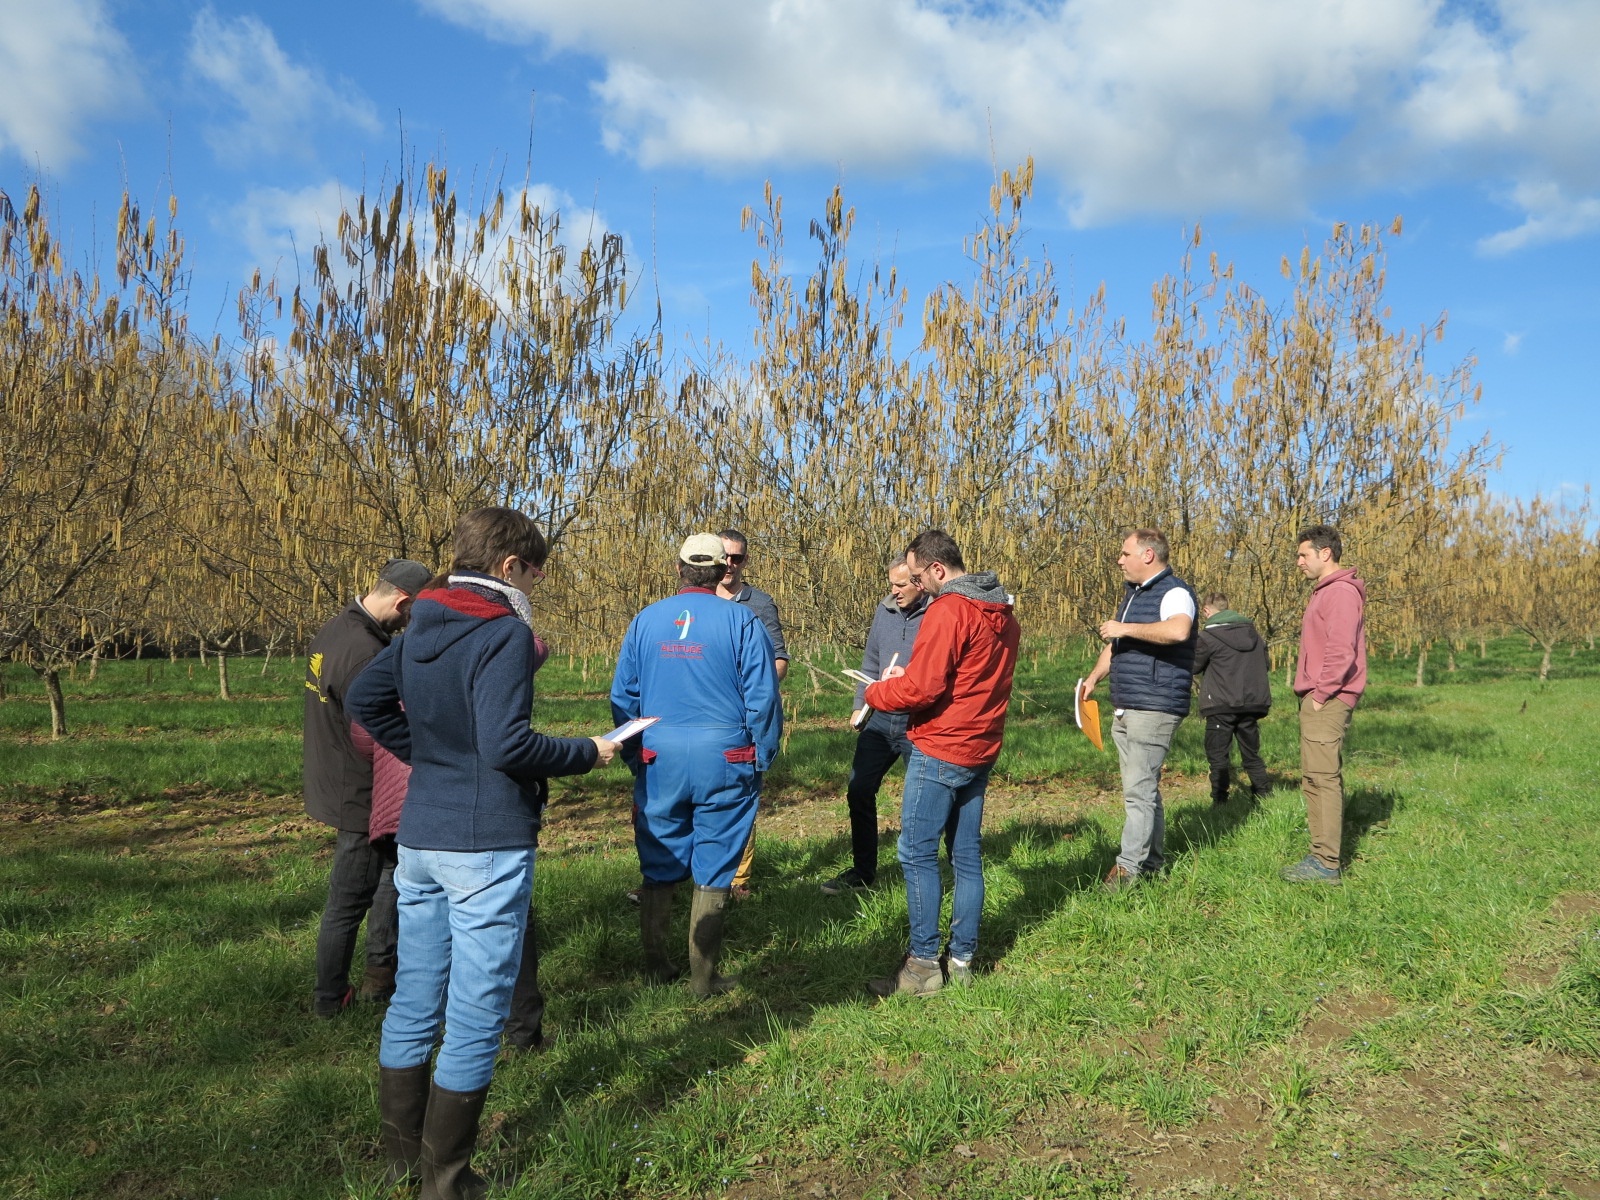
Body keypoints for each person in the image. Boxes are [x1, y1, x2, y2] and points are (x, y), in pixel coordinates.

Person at [348, 508, 618, 1199]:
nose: (537, 585)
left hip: (420, 837)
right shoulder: (503, 632)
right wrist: (588, 751)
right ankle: (447, 1180)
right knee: (474, 1012)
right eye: (535, 572)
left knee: (415, 999)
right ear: (508, 567)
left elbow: (365, 702)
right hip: (485, 844)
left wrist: (431, 758)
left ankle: (402, 1164)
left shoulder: (422, 622)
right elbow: (506, 745)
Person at [610, 534, 783, 998]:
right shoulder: (743, 620)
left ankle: (657, 967)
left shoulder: (646, 619)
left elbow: (623, 696)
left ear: (679, 569)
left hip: (660, 754)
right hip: (725, 757)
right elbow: (763, 696)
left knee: (659, 855)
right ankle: (702, 980)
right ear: (722, 571)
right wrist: (763, 753)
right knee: (717, 859)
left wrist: (635, 753)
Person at [862, 529, 1019, 996]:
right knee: (966, 856)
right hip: (980, 745)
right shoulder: (1001, 612)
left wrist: (876, 692)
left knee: (916, 853)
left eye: (916, 576)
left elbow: (923, 689)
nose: (916, 585)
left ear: (936, 568)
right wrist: (910, 676)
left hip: (942, 746)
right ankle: (963, 960)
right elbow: (965, 677)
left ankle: (923, 966)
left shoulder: (949, 609)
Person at [303, 556, 432, 1017]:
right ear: (403, 601)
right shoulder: (366, 653)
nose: (412, 621)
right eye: (414, 611)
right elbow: (373, 732)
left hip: (334, 776)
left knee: (388, 880)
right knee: (348, 900)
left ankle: (382, 972)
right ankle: (329, 998)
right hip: (360, 791)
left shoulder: (336, 628)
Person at [1082, 529, 1197, 893]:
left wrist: (1125, 627)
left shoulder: (1175, 592)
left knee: (1138, 793)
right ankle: (1152, 864)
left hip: (1154, 705)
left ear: (1148, 555)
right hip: (1127, 704)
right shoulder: (1133, 595)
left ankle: (1127, 871)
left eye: (1125, 553)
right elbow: (1116, 645)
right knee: (1144, 790)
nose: (1119, 560)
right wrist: (1093, 678)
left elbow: (1178, 631)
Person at [820, 556, 929, 895]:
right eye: (891, 584)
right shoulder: (885, 610)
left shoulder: (938, 613)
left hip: (918, 721)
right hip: (880, 718)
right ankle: (862, 872)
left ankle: (924, 875)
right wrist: (860, 706)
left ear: (919, 582)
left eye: (901, 584)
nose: (894, 591)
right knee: (859, 790)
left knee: (920, 801)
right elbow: (870, 662)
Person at [1284, 524, 1367, 885]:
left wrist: (1321, 694)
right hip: (1320, 696)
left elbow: (1341, 649)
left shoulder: (1340, 593)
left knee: (1323, 779)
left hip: (1328, 698)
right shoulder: (1327, 591)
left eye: (1303, 555)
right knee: (1314, 779)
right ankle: (1320, 855)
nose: (1299, 562)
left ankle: (1326, 863)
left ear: (1325, 553)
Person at [719, 528, 787, 899]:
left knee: (741, 793)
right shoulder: (693, 600)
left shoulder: (759, 604)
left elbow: (779, 659)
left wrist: (752, 690)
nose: (730, 564)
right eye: (724, 557)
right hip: (704, 715)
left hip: (742, 716)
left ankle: (738, 880)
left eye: (737, 558)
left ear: (745, 561)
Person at [1193, 592, 1274, 805]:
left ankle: (1220, 802)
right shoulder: (1255, 636)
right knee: (1251, 754)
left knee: (1218, 757)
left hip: (1220, 704)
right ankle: (1264, 795)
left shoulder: (1207, 637)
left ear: (1207, 611)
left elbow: (1194, 666)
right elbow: (1265, 665)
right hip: (1252, 703)